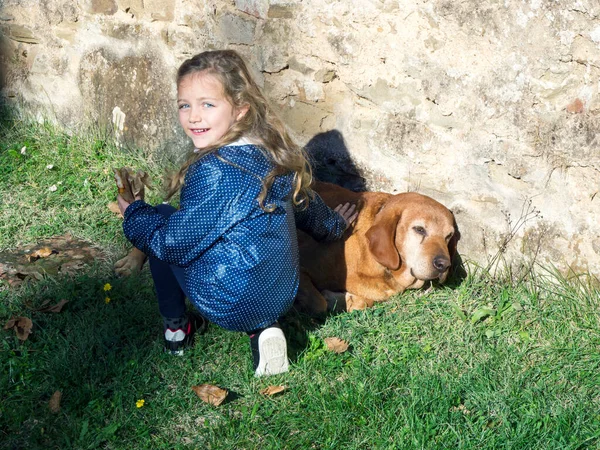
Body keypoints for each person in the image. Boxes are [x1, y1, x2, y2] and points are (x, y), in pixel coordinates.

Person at [116, 49, 357, 376]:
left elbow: (173, 243)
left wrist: (134, 215)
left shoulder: (214, 170)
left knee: (160, 222)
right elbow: (305, 206)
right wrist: (334, 225)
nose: (193, 116)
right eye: (184, 105)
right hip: (280, 293)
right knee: (240, 253)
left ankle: (177, 330)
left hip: (225, 300)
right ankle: (263, 331)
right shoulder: (274, 156)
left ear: (241, 110)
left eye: (207, 105)